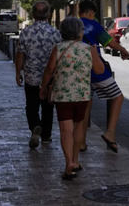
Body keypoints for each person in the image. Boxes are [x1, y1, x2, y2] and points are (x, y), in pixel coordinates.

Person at [39, 17, 104, 179]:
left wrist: (43, 87)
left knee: (66, 130)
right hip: (82, 95)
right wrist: (95, 54)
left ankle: (68, 163)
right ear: (79, 32)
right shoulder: (89, 49)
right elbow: (99, 70)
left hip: (62, 95)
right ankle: (75, 160)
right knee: (78, 128)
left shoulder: (58, 48)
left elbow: (49, 69)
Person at [79, 0, 129, 153]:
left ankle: (81, 142)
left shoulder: (72, 24)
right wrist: (122, 50)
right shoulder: (93, 25)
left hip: (78, 70)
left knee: (85, 104)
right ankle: (110, 133)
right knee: (118, 97)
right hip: (96, 70)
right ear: (90, 12)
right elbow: (108, 42)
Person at [15, 1, 62, 148]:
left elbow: (20, 55)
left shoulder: (26, 32)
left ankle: (35, 125)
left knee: (31, 106)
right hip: (50, 77)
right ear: (48, 14)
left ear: (33, 14)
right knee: (48, 106)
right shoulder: (56, 33)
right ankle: (46, 136)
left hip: (31, 76)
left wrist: (18, 72)